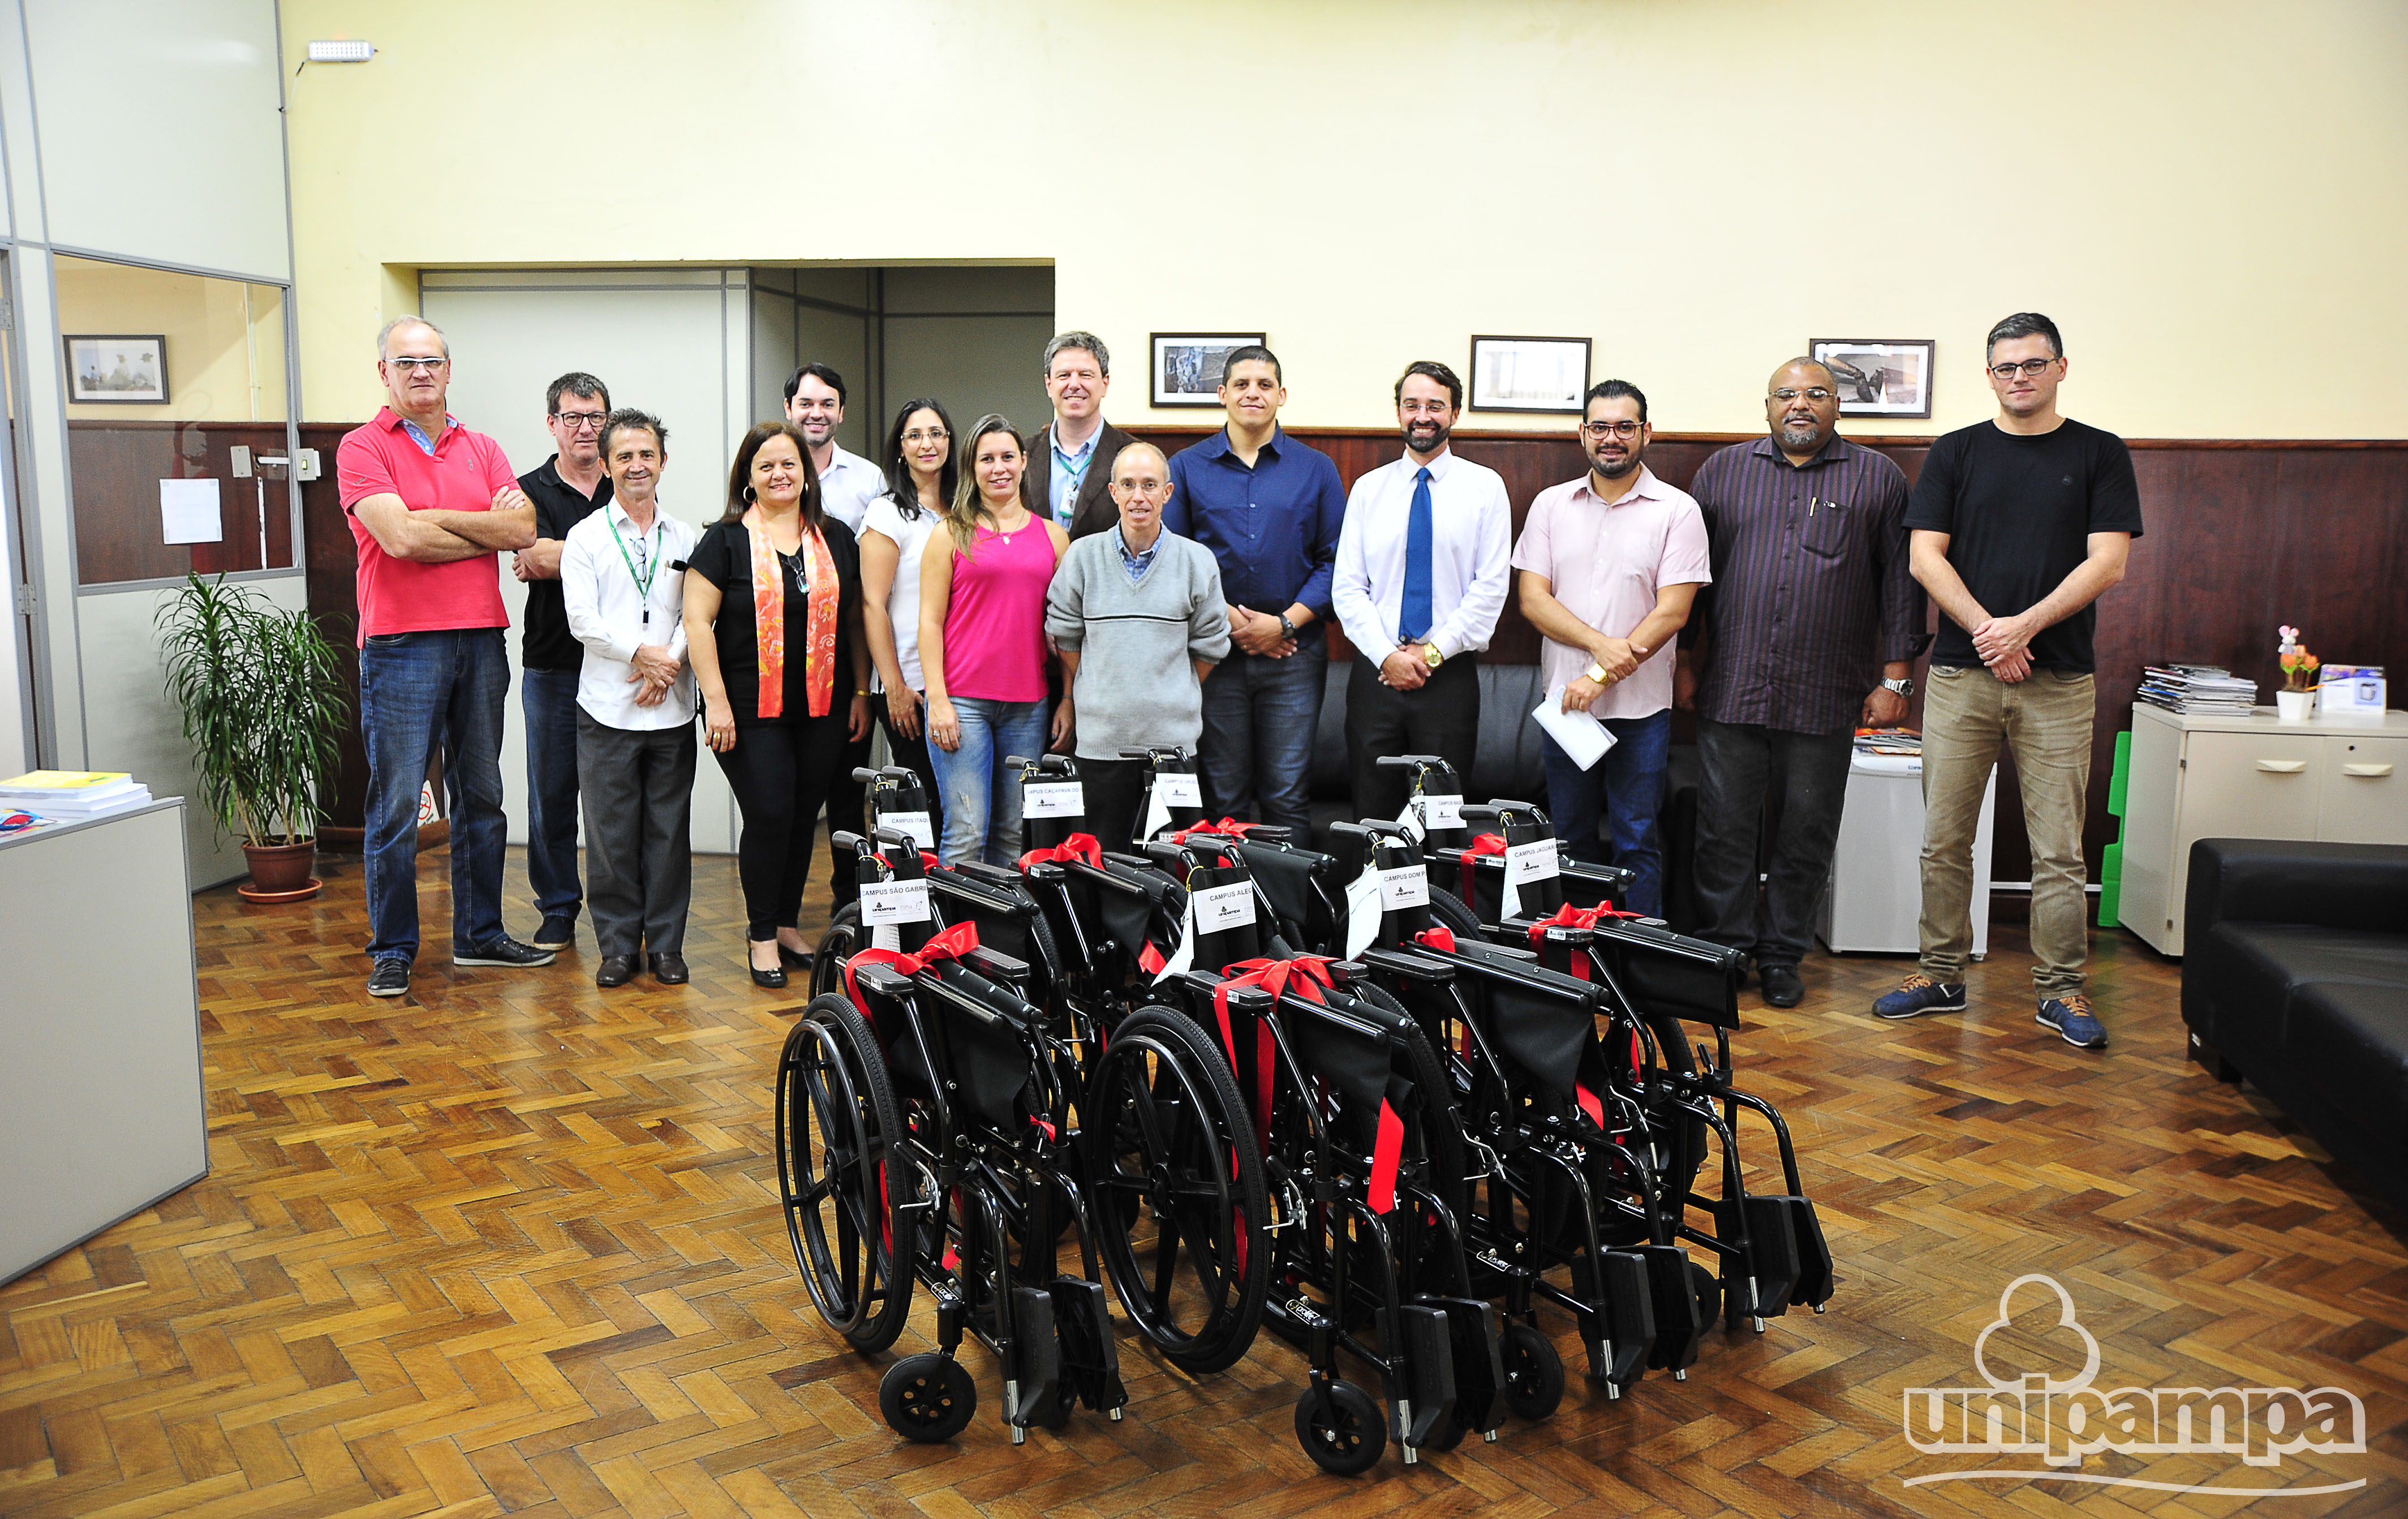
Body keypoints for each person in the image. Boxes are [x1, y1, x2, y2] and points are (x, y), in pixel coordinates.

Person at [1875, 312, 2141, 1050]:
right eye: (2005, 366)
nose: (2018, 376)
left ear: (2060, 367)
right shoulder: (1957, 452)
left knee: (2060, 848)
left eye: (2032, 363)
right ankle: (1940, 974)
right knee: (1944, 839)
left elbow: (2108, 563)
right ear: (1989, 374)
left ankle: (2060, 991)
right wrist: (1994, 636)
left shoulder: (2099, 453)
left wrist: (2021, 628)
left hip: (2058, 681)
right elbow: (1926, 558)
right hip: (1962, 678)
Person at [1676, 359, 1923, 1008]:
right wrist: (1683, 660)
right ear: (1765, 407)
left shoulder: (1877, 478)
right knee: (1722, 828)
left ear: (1837, 406)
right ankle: (1726, 948)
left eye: (1815, 393)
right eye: (1785, 394)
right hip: (1731, 683)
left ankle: (1783, 955)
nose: (1799, 404)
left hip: (1826, 689)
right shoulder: (1721, 473)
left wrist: (1895, 679)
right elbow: (1691, 580)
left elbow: (1900, 584)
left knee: (1805, 829)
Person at [337, 316, 551, 998]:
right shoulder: (360, 447)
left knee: (482, 794)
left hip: (481, 638)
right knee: (399, 803)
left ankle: (480, 934)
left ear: (449, 369)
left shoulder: (482, 446)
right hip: (400, 646)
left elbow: (521, 529)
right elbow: (398, 540)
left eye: (431, 361)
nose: (420, 372)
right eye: (406, 363)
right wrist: (471, 528)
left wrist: (432, 518)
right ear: (384, 374)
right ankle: (393, 947)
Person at [683, 421, 872, 989]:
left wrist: (861, 691)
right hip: (745, 709)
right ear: (748, 477)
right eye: (765, 465)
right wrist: (714, 701)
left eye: (788, 464)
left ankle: (787, 924)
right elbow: (697, 621)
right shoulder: (723, 540)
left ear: (805, 473)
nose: (778, 474)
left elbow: (853, 623)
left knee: (799, 816)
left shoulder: (835, 538)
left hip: (823, 706)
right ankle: (761, 932)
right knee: (768, 811)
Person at [1512, 380, 1710, 919]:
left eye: (1625, 427)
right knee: (1570, 840)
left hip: (1641, 710)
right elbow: (1533, 599)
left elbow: (1673, 612)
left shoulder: (1678, 510)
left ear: (1647, 432)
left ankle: (1640, 963)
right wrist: (1602, 648)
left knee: (1637, 840)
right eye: (1600, 427)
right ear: (1583, 434)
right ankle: (1576, 958)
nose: (1612, 439)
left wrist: (1599, 675)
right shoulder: (1551, 506)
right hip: (1567, 707)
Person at [1166, 345, 1346, 837]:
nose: (1253, 393)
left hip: (1294, 656)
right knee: (1224, 797)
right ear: (1222, 394)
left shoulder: (1316, 469)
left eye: (1264, 385)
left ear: (1282, 395)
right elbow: (1175, 560)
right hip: (1213, 655)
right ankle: (1234, 913)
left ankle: (1289, 916)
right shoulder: (1184, 467)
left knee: (1287, 796)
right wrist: (1228, 620)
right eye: (1242, 384)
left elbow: (1337, 563)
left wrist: (1284, 623)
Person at [1331, 360, 1512, 823]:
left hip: (1447, 679)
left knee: (1442, 821)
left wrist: (1429, 656)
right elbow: (1348, 588)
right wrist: (1388, 657)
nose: (1423, 416)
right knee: (1373, 817)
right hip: (1377, 674)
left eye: (1435, 405)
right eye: (1412, 405)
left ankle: (1438, 901)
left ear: (1455, 413)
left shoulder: (1485, 489)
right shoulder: (1369, 489)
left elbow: (1490, 590)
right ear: (1398, 412)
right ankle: (1373, 900)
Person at [560, 409, 696, 988]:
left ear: (662, 462)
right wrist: (644, 655)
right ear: (608, 464)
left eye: (647, 454)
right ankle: (617, 944)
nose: (636, 465)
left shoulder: (688, 536)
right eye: (625, 456)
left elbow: (700, 611)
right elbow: (581, 620)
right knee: (611, 835)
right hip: (606, 710)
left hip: (671, 707)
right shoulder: (585, 536)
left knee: (669, 832)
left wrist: (669, 663)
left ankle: (665, 944)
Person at [1047, 442, 1231, 849]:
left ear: (1167, 493)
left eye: (1150, 485)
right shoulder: (1082, 558)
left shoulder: (1197, 562)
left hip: (1173, 751)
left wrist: (1166, 690)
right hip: (1100, 747)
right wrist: (1105, 685)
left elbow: (1210, 647)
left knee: (1174, 867)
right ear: (1113, 492)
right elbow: (1065, 636)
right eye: (1128, 485)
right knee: (1103, 866)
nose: (1138, 496)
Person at [922, 415, 1069, 865]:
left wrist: (1067, 700)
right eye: (987, 459)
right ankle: (953, 935)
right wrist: (939, 699)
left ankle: (999, 936)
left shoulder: (1053, 537)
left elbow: (1066, 629)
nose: (998, 467)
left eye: (1008, 456)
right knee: (967, 831)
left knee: (1011, 836)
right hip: (962, 703)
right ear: (972, 467)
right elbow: (929, 622)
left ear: (1025, 462)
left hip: (1029, 706)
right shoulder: (950, 532)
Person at [510, 371, 612, 953]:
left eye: (594, 416)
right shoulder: (526, 489)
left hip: (616, 665)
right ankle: (556, 907)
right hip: (551, 666)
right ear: (552, 423)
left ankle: (618, 911)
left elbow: (549, 558)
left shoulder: (625, 478)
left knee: (611, 797)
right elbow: (529, 554)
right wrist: (603, 551)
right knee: (551, 794)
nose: (585, 428)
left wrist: (558, 554)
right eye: (572, 417)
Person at [785, 362, 886, 918]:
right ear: (789, 409)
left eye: (826, 404)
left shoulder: (867, 479)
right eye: (806, 403)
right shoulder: (772, 470)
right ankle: (781, 908)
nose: (816, 413)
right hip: (783, 657)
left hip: (846, 655)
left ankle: (850, 895)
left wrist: (863, 684)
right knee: (792, 792)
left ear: (841, 412)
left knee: (848, 789)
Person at [860, 397, 955, 839]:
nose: (927, 444)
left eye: (936, 433)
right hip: (909, 682)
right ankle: (916, 901)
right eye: (914, 435)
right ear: (900, 448)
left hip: (960, 680)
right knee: (924, 804)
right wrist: (893, 685)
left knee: (958, 803)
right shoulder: (887, 512)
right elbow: (872, 605)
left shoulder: (967, 510)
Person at [1021, 332, 1133, 540]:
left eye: (1085, 375)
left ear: (1105, 384)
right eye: (1064, 375)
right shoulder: (1021, 456)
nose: (1074, 384)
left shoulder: (1132, 455)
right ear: (1049, 385)